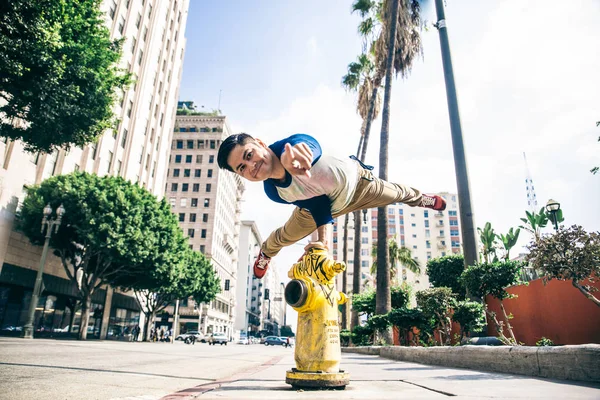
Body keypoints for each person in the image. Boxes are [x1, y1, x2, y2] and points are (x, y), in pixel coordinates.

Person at [217, 133, 446, 279]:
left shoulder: (293, 146)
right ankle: (266, 253)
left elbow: (310, 145)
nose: (251, 165)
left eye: (249, 155)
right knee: (285, 236)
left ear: (259, 143)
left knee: (397, 193)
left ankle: (421, 198)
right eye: (242, 168)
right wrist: (322, 242)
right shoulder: (274, 192)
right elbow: (318, 203)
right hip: (318, 207)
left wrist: (296, 158)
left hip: (359, 187)